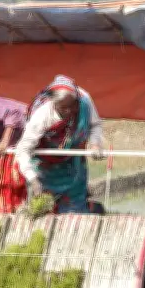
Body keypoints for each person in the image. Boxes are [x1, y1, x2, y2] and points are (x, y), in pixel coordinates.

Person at [14, 75, 106, 214]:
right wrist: (33, 180)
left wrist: (95, 143)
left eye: (72, 106)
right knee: (42, 211)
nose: (69, 111)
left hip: (73, 167)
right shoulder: (42, 114)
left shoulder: (84, 102)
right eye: (63, 108)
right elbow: (23, 150)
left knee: (75, 212)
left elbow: (95, 125)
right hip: (45, 170)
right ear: (53, 103)